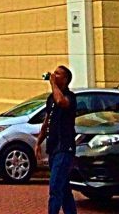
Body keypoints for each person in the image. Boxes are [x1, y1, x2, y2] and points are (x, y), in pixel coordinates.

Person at [36, 65, 78, 214]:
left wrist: (53, 83)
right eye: (54, 73)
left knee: (55, 188)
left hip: (65, 148)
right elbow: (47, 120)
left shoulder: (70, 97)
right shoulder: (50, 99)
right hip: (53, 148)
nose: (54, 75)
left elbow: (62, 102)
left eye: (58, 74)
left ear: (66, 79)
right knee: (64, 189)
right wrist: (39, 141)